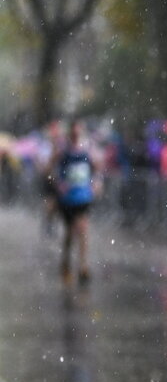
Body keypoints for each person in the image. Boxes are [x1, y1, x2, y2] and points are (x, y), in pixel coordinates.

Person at [51, 119, 100, 285]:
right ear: (69, 133)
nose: (75, 135)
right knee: (70, 233)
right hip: (67, 199)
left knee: (83, 230)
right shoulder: (62, 151)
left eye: (78, 132)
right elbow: (50, 169)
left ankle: (83, 266)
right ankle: (65, 260)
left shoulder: (87, 150)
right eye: (73, 133)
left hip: (83, 197)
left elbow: (96, 169)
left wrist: (96, 183)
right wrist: (59, 183)